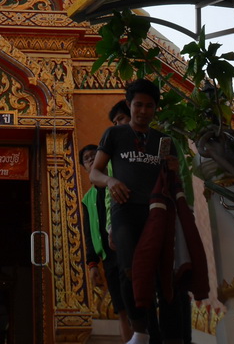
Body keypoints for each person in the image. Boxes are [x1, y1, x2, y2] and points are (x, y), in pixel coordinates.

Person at [90, 79, 172, 344]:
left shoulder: (162, 140)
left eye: (149, 106)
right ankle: (139, 330)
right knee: (128, 269)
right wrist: (111, 182)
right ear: (129, 104)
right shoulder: (114, 134)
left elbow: (170, 176)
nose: (143, 111)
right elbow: (95, 172)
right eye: (138, 105)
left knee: (157, 275)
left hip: (155, 213)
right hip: (125, 210)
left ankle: (157, 334)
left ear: (155, 109)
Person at [80, 144, 131, 342]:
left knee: (135, 302)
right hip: (107, 258)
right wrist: (92, 264)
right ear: (84, 167)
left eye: (95, 156)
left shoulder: (116, 182)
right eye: (87, 159)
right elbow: (89, 233)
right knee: (121, 309)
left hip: (125, 250)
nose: (91, 160)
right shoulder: (88, 199)